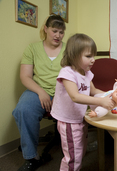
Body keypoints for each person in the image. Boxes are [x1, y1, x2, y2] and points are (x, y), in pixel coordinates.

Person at [50, 33, 115, 171]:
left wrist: (109, 95)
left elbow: (93, 90)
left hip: (79, 118)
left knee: (80, 150)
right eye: (88, 56)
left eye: (94, 56)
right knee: (73, 157)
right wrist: (102, 102)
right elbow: (75, 96)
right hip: (68, 121)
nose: (93, 60)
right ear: (74, 55)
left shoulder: (86, 73)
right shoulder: (67, 73)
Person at [12, 15, 66, 171]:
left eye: (61, 32)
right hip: (38, 90)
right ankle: (32, 157)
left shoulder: (69, 49)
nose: (57, 35)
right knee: (23, 110)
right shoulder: (32, 48)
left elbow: (75, 75)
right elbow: (25, 76)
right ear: (46, 29)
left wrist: (61, 94)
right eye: (54, 31)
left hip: (63, 91)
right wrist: (41, 92)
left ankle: (76, 150)